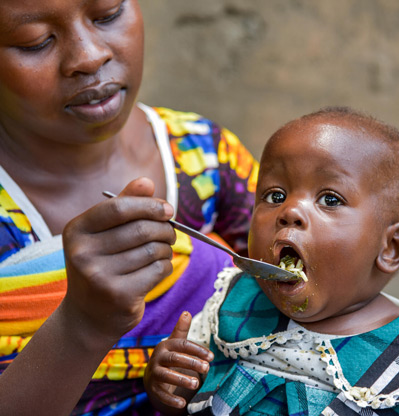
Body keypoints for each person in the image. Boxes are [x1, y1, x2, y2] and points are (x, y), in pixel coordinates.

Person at [0, 0, 258, 414]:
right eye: (35, 42)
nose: (89, 56)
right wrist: (82, 325)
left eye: (107, 15)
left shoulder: (207, 157)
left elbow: (315, 308)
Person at [144, 106, 399, 415]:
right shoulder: (232, 305)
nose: (290, 211)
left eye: (330, 199)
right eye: (275, 196)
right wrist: (170, 385)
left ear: (391, 247)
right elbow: (185, 399)